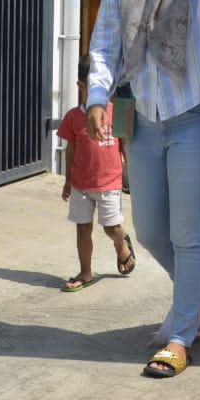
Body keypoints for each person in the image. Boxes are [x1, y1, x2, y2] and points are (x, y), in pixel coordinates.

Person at [87, 0, 200, 380]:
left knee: (186, 235)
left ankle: (181, 335)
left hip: (192, 120)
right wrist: (97, 97)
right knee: (151, 231)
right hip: (143, 126)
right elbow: (104, 47)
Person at [56, 66, 135, 291]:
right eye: (90, 86)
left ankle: (122, 245)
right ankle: (85, 272)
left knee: (111, 228)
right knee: (83, 228)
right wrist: (68, 181)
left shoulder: (116, 112)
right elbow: (70, 150)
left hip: (110, 183)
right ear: (80, 85)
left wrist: (133, 176)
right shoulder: (73, 117)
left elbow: (125, 146)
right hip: (81, 184)